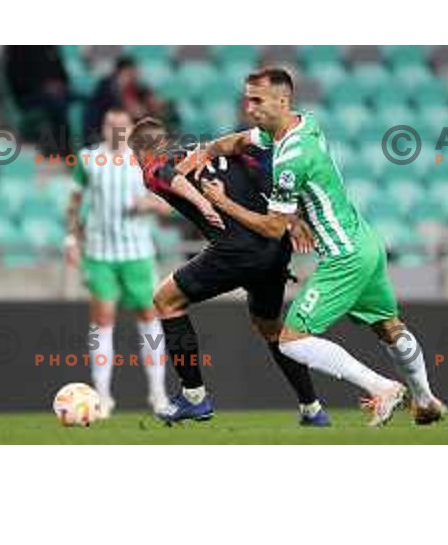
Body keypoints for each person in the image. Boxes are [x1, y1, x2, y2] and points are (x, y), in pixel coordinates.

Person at [189, 67, 446, 426]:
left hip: (344, 256)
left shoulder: (292, 157)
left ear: (282, 100)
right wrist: (206, 151)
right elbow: (239, 141)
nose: (249, 107)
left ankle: (382, 387)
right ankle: (427, 399)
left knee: (291, 340)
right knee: (389, 327)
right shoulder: (302, 123)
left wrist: (222, 202)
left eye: (257, 100)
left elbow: (273, 226)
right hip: (366, 243)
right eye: (247, 99)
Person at [128, 116, 330, 427]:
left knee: (166, 301)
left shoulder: (151, 165)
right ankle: (312, 408)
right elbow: (270, 176)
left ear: (139, 152)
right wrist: (294, 218)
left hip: (235, 250)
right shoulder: (215, 150)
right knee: (270, 327)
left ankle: (194, 397)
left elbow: (167, 175)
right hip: (275, 249)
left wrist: (202, 202)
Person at [66, 108, 170, 419]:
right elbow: (74, 202)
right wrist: (71, 240)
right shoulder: (87, 160)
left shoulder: (145, 159)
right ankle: (102, 396)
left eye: (121, 125)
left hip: (137, 252)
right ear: (103, 126)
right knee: (103, 319)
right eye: (110, 124)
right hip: (99, 253)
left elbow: (170, 204)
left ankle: (158, 393)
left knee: (149, 317)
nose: (115, 129)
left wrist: (149, 203)